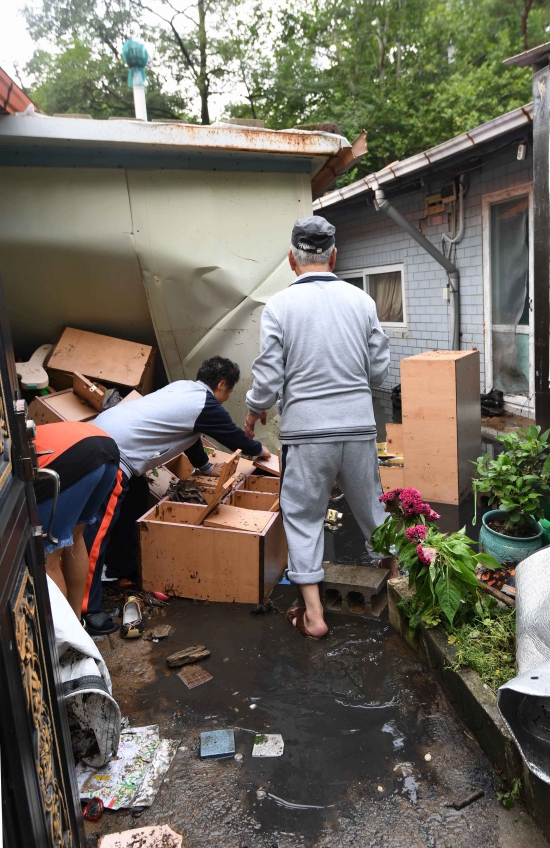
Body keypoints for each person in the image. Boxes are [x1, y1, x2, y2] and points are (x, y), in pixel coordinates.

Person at [244, 215, 390, 639]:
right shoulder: (362, 302)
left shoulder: (279, 306)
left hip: (307, 435)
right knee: (373, 511)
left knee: (303, 516)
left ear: (292, 259)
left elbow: (268, 378)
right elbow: (378, 373)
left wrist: (255, 410)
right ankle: (401, 583)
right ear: (334, 256)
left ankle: (314, 615)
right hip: (359, 428)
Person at [83, 355, 271, 634]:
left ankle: (118, 568)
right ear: (221, 384)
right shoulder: (205, 403)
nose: (226, 396)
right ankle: (89, 612)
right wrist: (260, 451)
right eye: (229, 391)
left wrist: (206, 467)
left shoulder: (184, 390)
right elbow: (233, 437)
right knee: (97, 533)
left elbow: (190, 435)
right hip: (109, 455)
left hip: (103, 437)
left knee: (134, 498)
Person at [34, 421, 120, 619]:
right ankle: (76, 623)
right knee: (74, 536)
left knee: (47, 558)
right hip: (103, 444)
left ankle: (61, 639)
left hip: (67, 460)